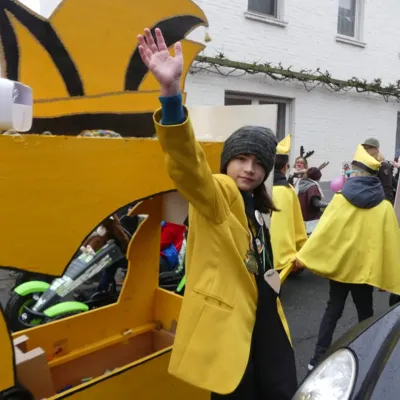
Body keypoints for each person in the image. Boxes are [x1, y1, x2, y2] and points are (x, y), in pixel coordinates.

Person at [138, 28, 297, 399]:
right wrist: (171, 94)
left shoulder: (259, 204)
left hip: (264, 319)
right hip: (229, 330)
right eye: (241, 158)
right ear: (227, 162)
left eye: (259, 163)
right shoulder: (219, 193)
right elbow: (187, 165)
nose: (249, 169)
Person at [296, 144, 400, 371]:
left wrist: (303, 256)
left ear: (356, 174)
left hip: (340, 267)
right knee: (366, 314)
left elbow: (323, 231)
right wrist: (388, 275)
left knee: (333, 310)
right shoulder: (384, 206)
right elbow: (390, 242)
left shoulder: (340, 200)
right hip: (364, 271)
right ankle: (368, 356)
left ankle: (317, 357)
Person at [270, 135, 307, 277]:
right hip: (278, 259)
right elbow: (294, 226)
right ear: (285, 167)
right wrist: (302, 252)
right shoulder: (285, 191)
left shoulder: (256, 186)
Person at [362, 138, 395, 204]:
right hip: (370, 201)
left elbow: (387, 188)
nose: (366, 150)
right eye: (365, 148)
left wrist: (389, 205)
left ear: (376, 149)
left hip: (381, 203)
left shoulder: (382, 166)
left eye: (369, 147)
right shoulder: (368, 164)